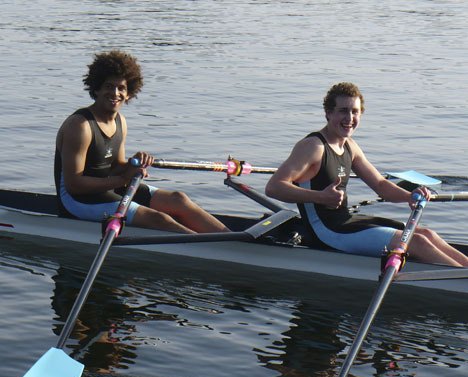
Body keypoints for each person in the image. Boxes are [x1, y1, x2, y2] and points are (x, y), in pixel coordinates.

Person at [265, 82, 468, 267]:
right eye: (343, 111)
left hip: (346, 221)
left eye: (355, 112)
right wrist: (320, 196)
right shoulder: (313, 147)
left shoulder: (350, 146)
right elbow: (274, 187)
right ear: (328, 113)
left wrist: (409, 196)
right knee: (417, 242)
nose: (349, 119)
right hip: (327, 232)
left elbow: (380, 185)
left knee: (426, 233)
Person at [54, 50, 229, 234]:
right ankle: (216, 251)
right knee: (158, 218)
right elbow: (75, 185)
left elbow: (115, 167)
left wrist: (131, 164)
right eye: (108, 86)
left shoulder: (120, 121)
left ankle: (235, 242)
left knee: (179, 199)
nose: (115, 93)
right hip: (76, 200)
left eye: (121, 88)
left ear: (129, 93)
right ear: (96, 88)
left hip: (108, 187)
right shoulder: (80, 125)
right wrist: (122, 178)